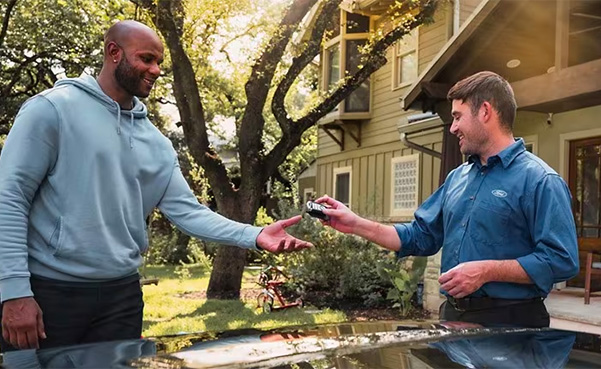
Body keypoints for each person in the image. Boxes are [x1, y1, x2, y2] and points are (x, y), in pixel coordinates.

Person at [0, 20, 312, 352]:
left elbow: (189, 213)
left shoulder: (155, 142)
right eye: (146, 59)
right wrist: (14, 290)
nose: (157, 70)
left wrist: (255, 235)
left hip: (121, 299)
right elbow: (9, 198)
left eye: (159, 61)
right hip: (49, 292)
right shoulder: (52, 111)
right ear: (113, 53)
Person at [315, 71, 579, 328]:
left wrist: (486, 271)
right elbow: (420, 236)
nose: (452, 127)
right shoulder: (457, 178)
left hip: (514, 324)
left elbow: (561, 260)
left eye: (457, 117)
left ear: (485, 112)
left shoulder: (541, 180)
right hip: (454, 317)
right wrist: (355, 224)